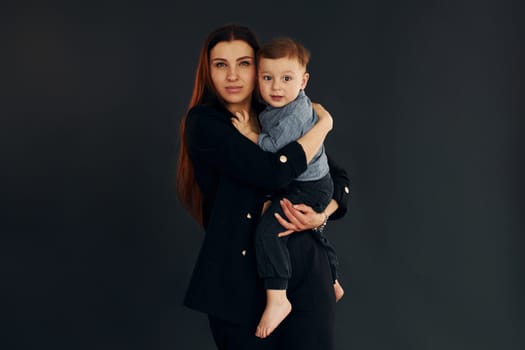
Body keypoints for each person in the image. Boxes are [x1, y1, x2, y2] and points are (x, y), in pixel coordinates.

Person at [176, 23, 351, 350]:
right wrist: (324, 125)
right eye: (220, 65)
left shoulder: (276, 112)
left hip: (307, 270)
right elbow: (272, 173)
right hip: (240, 282)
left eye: (243, 63)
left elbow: (337, 178)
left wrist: (320, 215)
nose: (232, 75)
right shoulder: (205, 124)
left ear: (258, 69)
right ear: (208, 72)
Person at [230, 37, 344, 339]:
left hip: (310, 186)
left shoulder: (293, 114)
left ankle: (278, 296)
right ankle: (332, 277)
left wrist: (249, 132)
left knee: (270, 230)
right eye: (268, 78)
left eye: (286, 78)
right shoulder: (286, 106)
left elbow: (273, 151)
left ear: (304, 81)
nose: (276, 87)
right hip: (313, 182)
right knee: (309, 227)